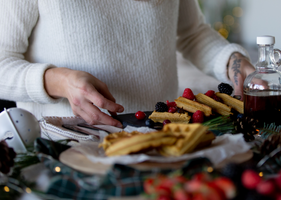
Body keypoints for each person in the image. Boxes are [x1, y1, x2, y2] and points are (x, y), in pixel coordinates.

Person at [0, 0, 255, 128]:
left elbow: (191, 33)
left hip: (161, 137)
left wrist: (232, 60)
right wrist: (61, 81)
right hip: (66, 147)